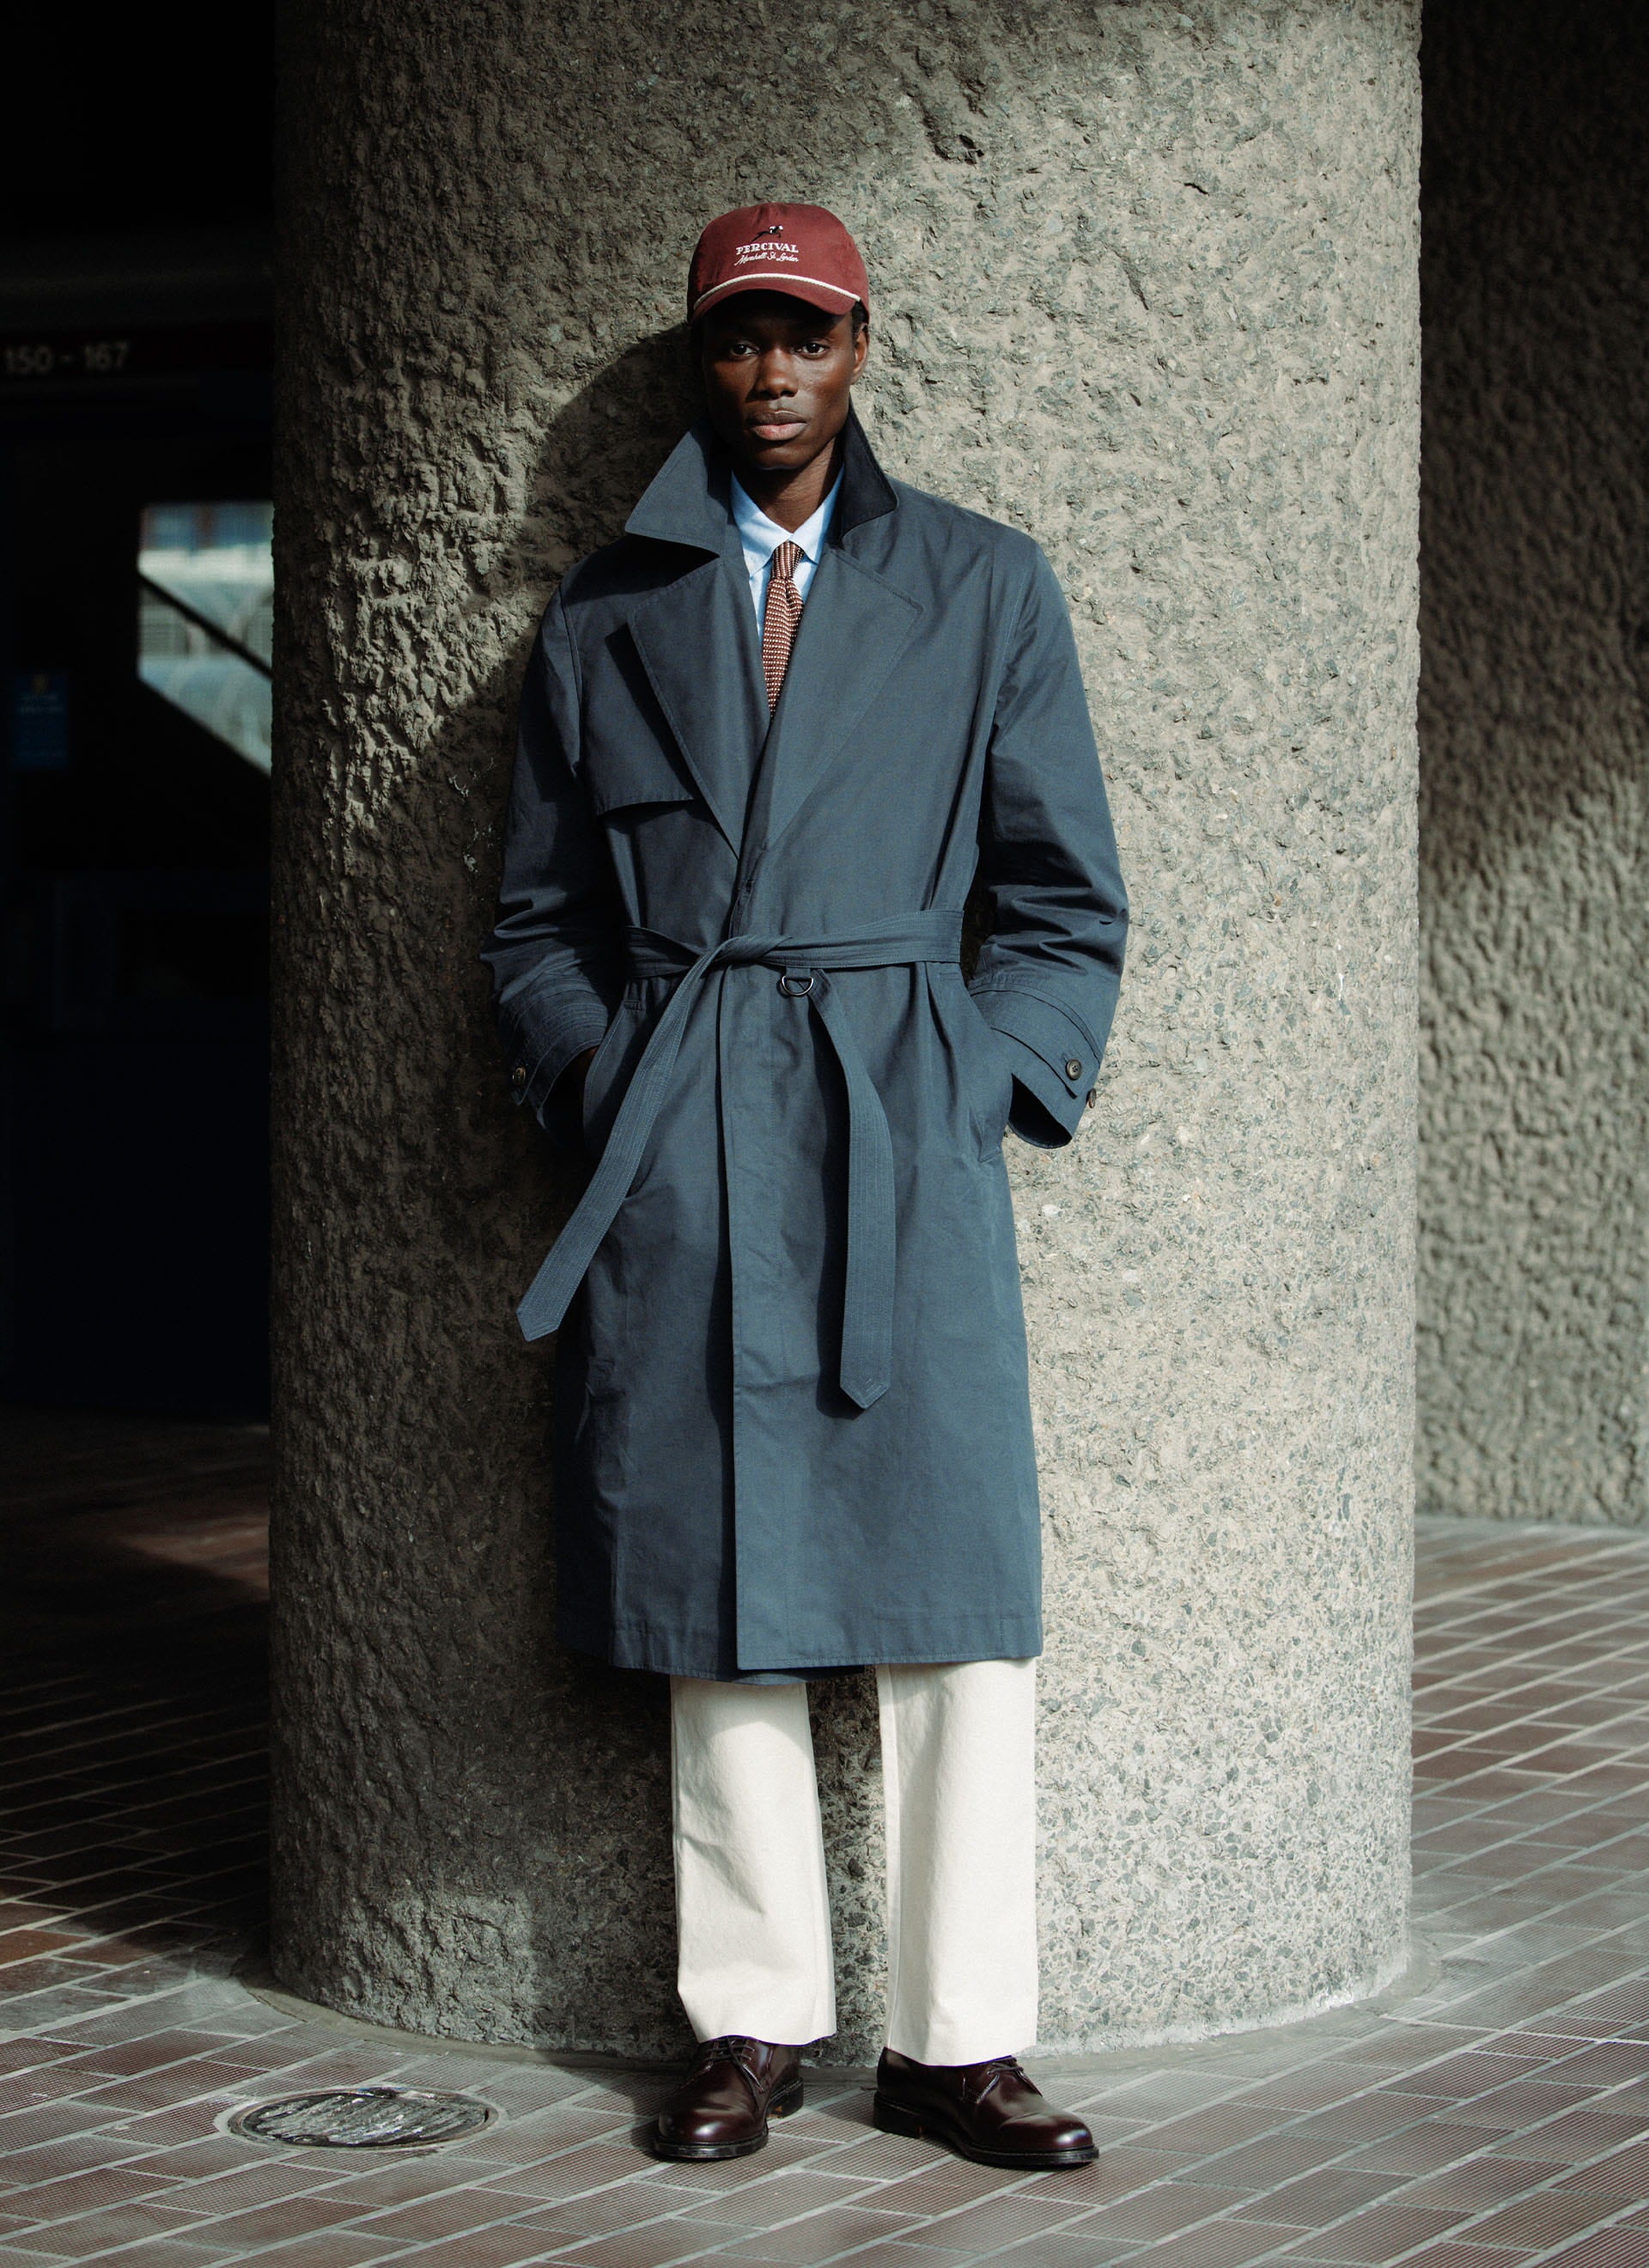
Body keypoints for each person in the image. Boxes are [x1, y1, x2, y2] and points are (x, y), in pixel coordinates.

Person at [482, 202, 1127, 2167]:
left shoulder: (986, 590)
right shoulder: (605, 614)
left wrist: (976, 1085)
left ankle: (959, 2043)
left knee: (955, 1600)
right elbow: (533, 924)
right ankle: (750, 2023)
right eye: (741, 340)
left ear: (863, 352)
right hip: (688, 1141)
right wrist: (611, 1085)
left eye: (810, 337)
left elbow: (1063, 902)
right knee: (721, 1595)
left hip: (899, 1144)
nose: (774, 375)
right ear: (703, 359)